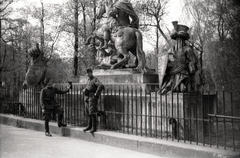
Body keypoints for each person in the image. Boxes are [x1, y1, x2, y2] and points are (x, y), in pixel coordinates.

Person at [83, 68, 104, 133]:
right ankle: (89, 126)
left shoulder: (95, 79)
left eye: (88, 72)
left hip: (92, 97)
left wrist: (96, 94)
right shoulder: (88, 80)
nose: (87, 74)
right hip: (87, 97)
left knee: (92, 112)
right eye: (87, 73)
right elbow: (88, 88)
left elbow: (101, 85)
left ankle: (94, 127)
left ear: (91, 73)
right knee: (88, 112)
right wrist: (84, 90)